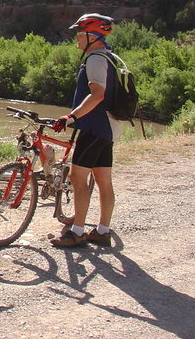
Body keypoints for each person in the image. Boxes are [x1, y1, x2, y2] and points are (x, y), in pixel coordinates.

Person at [50, 13, 120, 248]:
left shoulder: (95, 59)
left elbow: (97, 94)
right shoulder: (110, 57)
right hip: (108, 128)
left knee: (78, 178)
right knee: (103, 180)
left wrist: (72, 116)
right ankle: (102, 231)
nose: (77, 39)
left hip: (93, 127)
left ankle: (76, 232)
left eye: (80, 34)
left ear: (93, 36)